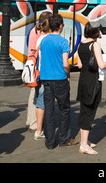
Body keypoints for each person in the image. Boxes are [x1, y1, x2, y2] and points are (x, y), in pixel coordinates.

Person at [39, 14, 78, 149]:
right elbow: (65, 64)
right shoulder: (63, 42)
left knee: (49, 111)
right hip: (60, 79)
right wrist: (67, 74)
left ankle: (50, 142)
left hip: (46, 79)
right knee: (64, 110)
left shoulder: (44, 40)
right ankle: (64, 139)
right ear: (61, 26)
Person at [77, 22, 106, 155]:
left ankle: (85, 141)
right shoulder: (95, 45)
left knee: (84, 110)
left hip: (83, 80)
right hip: (93, 81)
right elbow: (102, 65)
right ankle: (83, 145)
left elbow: (79, 64)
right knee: (89, 112)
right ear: (95, 32)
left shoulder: (81, 44)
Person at [25, 11, 51, 137]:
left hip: (32, 63)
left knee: (33, 94)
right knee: (37, 96)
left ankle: (30, 120)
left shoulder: (34, 30)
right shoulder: (41, 33)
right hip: (38, 66)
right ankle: (35, 123)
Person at [32, 13, 52, 141]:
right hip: (47, 73)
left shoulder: (40, 38)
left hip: (39, 72)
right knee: (43, 102)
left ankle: (39, 129)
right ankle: (39, 130)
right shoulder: (48, 39)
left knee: (40, 102)